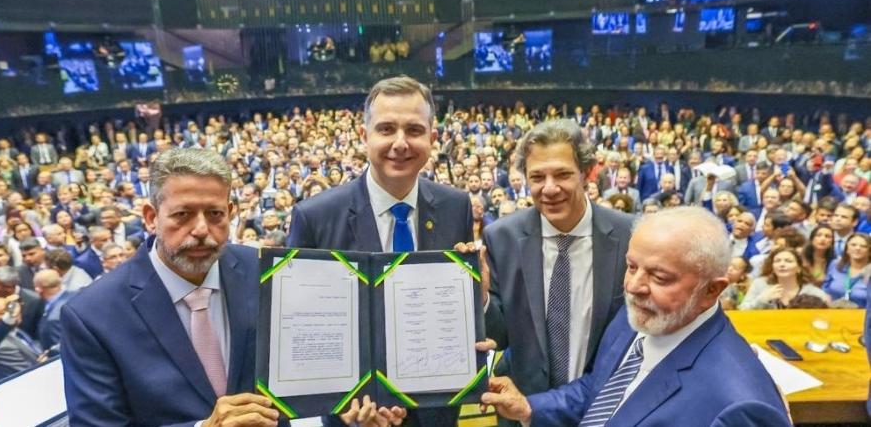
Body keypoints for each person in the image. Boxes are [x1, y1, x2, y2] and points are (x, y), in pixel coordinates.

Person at [479, 207, 791, 427]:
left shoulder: (741, 409)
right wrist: (529, 406)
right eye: (631, 266)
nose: (633, 286)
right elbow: (597, 389)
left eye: (660, 277)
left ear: (711, 290)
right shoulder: (643, 315)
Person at [287, 76, 470, 427]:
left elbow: (463, 316)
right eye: (386, 129)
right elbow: (301, 333)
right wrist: (338, 404)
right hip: (354, 418)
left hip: (437, 413)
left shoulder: (455, 207)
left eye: (414, 130)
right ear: (364, 136)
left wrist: (478, 303)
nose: (400, 143)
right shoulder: (315, 217)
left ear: (433, 139)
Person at [61, 148, 285, 426]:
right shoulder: (91, 316)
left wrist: (346, 401)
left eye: (215, 214)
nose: (201, 229)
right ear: (150, 217)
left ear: (230, 213)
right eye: (183, 214)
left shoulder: (267, 271)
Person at [476, 119, 633, 425]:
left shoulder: (629, 235)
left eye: (562, 174)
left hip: (603, 411)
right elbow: (498, 336)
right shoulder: (502, 237)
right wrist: (480, 298)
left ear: (588, 173)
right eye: (537, 177)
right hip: (522, 411)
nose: (549, 188)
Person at [739, 247, 829, 309]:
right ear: (772, 267)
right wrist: (761, 300)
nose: (782, 264)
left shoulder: (812, 291)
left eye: (788, 261)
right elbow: (742, 310)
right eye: (777, 261)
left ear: (799, 268)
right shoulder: (760, 284)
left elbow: (826, 308)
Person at [822, 233, 870, 307]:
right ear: (847, 249)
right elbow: (825, 289)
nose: (858, 248)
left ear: (869, 252)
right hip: (833, 312)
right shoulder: (835, 264)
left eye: (863, 246)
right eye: (853, 245)